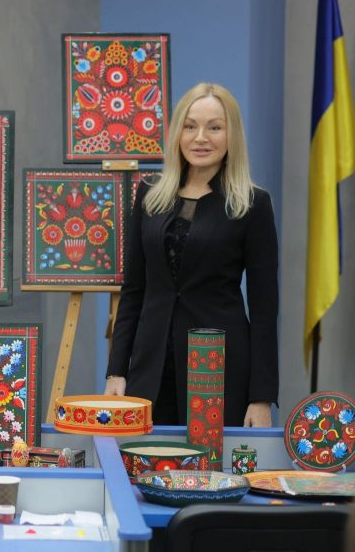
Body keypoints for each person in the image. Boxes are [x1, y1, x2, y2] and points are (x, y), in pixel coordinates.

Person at [105, 82, 278, 428]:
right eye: (190, 126)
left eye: (214, 127)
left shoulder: (252, 204)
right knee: (144, 459)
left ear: (231, 135)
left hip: (217, 370)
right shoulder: (149, 195)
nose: (200, 138)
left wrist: (261, 396)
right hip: (150, 369)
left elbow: (264, 309)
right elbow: (134, 291)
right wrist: (116, 371)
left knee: (212, 463)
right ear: (178, 134)